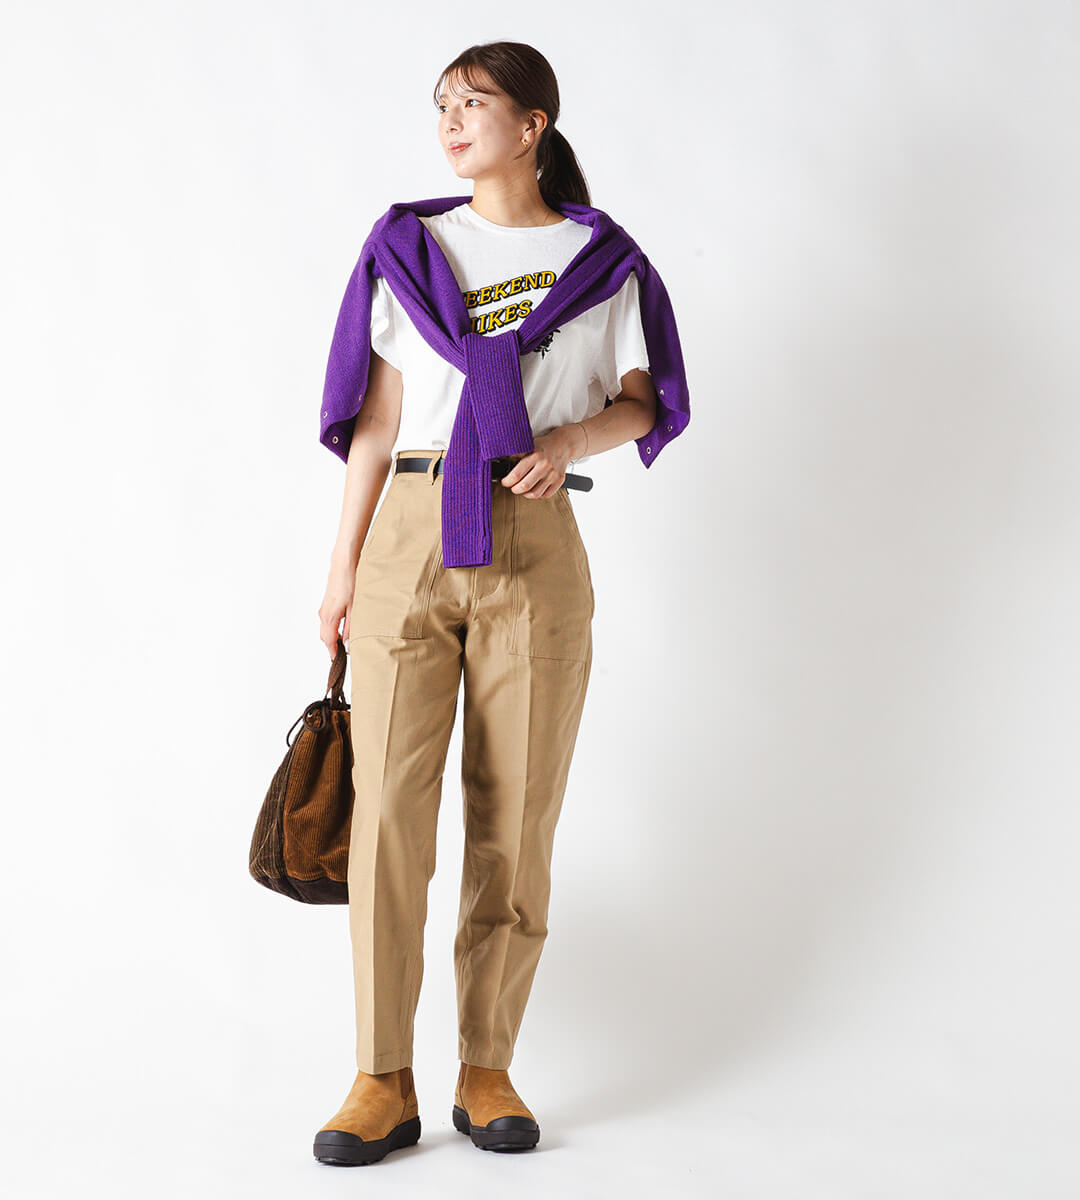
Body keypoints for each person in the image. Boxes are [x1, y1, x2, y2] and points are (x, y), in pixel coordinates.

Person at [311, 41, 689, 1166]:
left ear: (532, 127)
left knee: (516, 815)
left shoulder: (602, 261)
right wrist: (341, 568)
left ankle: (487, 1066)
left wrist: (570, 439)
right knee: (389, 814)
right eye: (442, 103)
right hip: (412, 524)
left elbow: (643, 400)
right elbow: (377, 421)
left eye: (474, 102)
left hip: (534, 533)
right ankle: (380, 1076)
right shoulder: (408, 250)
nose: (450, 119)